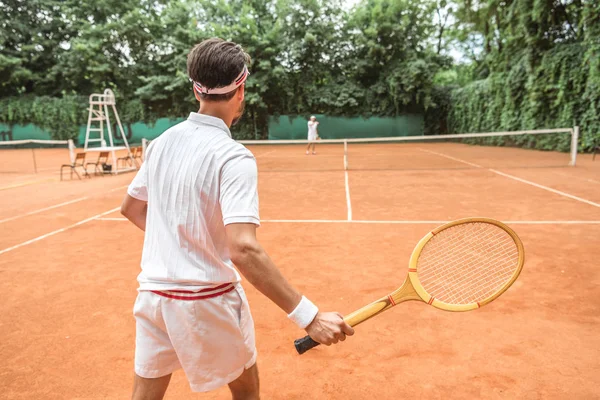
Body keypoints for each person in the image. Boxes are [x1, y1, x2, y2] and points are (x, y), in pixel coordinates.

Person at [120, 38, 353, 400]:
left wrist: (182, 240)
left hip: (153, 296)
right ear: (241, 89)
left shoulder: (161, 142)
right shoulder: (233, 157)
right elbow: (243, 248)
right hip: (207, 300)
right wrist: (310, 316)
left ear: (195, 87)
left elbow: (132, 209)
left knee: (145, 393)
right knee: (246, 391)